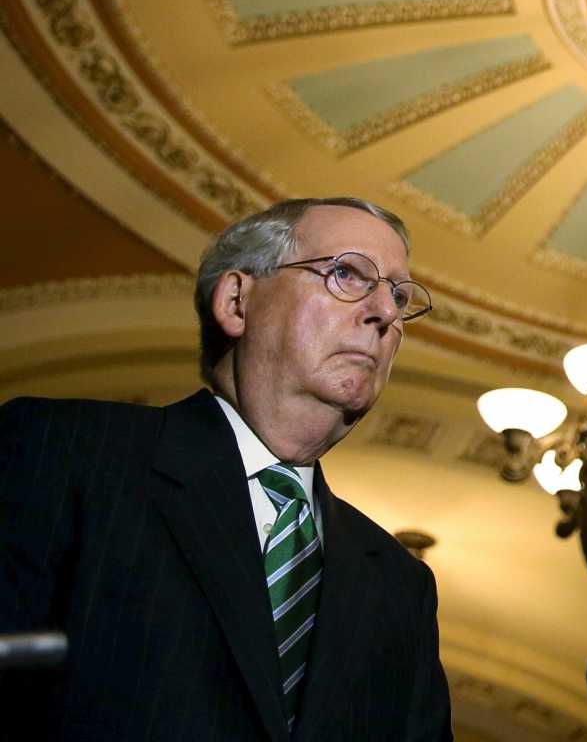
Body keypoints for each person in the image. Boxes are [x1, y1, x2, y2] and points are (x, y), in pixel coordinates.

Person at [0, 197, 452, 741]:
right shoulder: (66, 452)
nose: (385, 312)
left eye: (400, 296)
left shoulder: (401, 585)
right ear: (237, 301)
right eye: (346, 273)